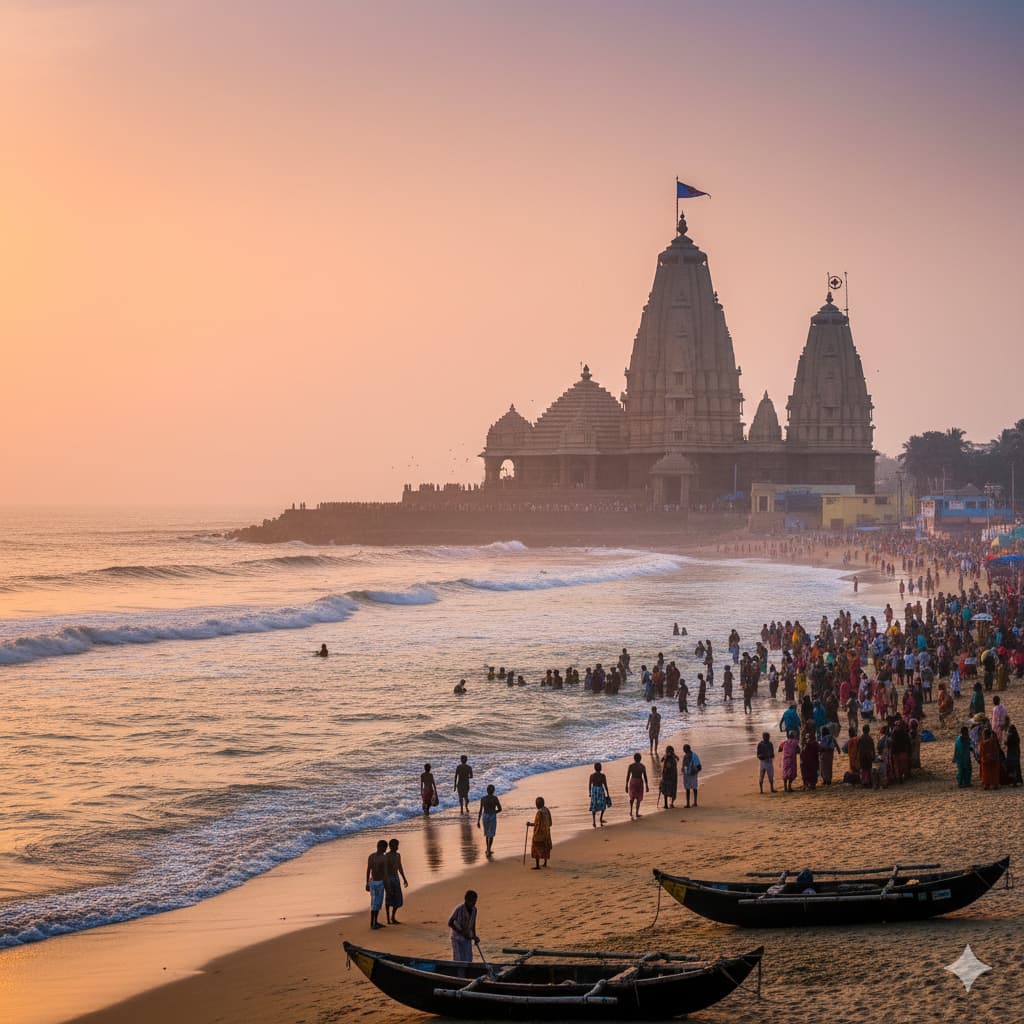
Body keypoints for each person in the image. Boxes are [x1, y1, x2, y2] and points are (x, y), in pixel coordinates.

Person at [447, 890, 479, 962]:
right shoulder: (459, 908)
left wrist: (474, 936)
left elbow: (473, 924)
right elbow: (450, 922)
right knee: (459, 959)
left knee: (468, 959)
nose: (474, 903)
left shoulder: (474, 910)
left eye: (475, 901)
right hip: (456, 938)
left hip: (467, 937)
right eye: (472, 901)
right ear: (466, 900)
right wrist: (461, 932)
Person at [366, 839, 389, 930]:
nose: (386, 849)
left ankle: (374, 922)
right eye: (385, 847)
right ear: (380, 847)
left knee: (376, 903)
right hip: (377, 882)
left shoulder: (372, 856)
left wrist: (367, 882)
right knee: (375, 903)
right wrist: (367, 883)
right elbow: (385, 873)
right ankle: (373, 923)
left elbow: (368, 870)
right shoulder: (382, 857)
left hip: (375, 882)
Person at [384, 838, 408, 924]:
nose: (397, 847)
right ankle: (388, 919)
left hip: (396, 878)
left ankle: (393, 917)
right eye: (395, 845)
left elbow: (400, 867)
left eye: (397, 845)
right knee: (389, 898)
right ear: (390, 846)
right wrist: (386, 882)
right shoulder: (387, 856)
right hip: (389, 878)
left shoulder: (398, 855)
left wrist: (404, 879)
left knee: (397, 899)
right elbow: (385, 870)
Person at [526, 796, 552, 868]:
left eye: (536, 804)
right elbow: (550, 822)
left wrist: (530, 824)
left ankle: (537, 865)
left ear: (538, 804)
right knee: (545, 847)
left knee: (536, 847)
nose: (536, 805)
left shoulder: (539, 813)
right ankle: (545, 863)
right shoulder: (546, 810)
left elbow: (537, 824)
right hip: (547, 833)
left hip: (540, 834)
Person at [477, 785, 502, 856]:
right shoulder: (495, 798)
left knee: (487, 834)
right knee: (491, 834)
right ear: (493, 791)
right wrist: (494, 812)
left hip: (485, 816)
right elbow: (500, 809)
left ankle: (487, 849)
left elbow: (480, 810)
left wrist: (478, 821)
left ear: (487, 791)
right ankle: (488, 849)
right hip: (492, 816)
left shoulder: (483, 799)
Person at [625, 752, 649, 818]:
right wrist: (647, 785)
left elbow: (628, 776)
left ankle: (630, 811)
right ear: (640, 759)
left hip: (633, 781)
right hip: (639, 782)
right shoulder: (642, 766)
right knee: (638, 798)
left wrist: (626, 785)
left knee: (632, 797)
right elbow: (645, 776)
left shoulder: (631, 766)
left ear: (634, 759)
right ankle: (637, 813)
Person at [588, 762, 611, 827]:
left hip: (594, 791)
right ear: (601, 768)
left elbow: (589, 785)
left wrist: (589, 793)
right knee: (603, 805)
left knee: (594, 806)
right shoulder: (602, 776)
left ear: (594, 768)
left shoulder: (592, 776)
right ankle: (600, 818)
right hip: (600, 790)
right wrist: (608, 793)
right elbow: (605, 785)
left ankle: (594, 821)